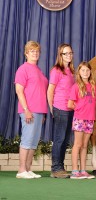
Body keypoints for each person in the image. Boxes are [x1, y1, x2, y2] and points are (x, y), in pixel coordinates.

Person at [15, 41, 48, 179]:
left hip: (39, 111)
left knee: (33, 142)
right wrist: (26, 109)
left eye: (37, 51)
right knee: (27, 140)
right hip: (29, 110)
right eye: (32, 51)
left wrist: (43, 113)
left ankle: (28, 169)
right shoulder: (23, 69)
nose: (35, 53)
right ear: (26, 53)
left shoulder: (39, 70)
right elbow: (19, 90)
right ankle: (21, 170)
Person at [47, 44, 75, 178]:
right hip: (60, 108)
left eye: (70, 53)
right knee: (59, 139)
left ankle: (60, 167)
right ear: (60, 55)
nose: (68, 55)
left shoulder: (71, 71)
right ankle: (55, 168)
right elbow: (50, 90)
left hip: (70, 109)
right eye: (65, 53)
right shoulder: (56, 70)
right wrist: (52, 109)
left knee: (65, 140)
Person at [68, 62, 96, 179]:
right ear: (79, 73)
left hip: (90, 119)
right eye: (83, 70)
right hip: (79, 119)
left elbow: (94, 103)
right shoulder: (76, 86)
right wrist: (80, 109)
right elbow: (70, 104)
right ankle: (75, 171)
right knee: (78, 144)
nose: (85, 72)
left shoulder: (93, 87)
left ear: (90, 72)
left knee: (85, 145)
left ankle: (83, 170)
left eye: (87, 70)